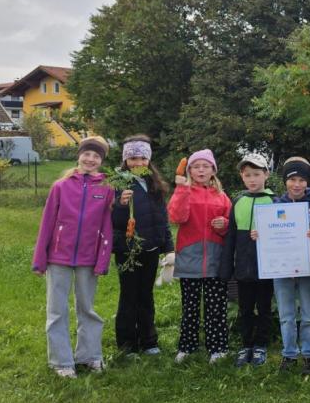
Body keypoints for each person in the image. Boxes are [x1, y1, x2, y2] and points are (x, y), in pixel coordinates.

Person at [32, 136, 115, 378]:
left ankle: (90, 356)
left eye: (96, 156)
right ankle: (61, 361)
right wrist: (39, 259)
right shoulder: (61, 186)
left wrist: (102, 260)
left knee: (87, 308)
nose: (90, 159)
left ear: (101, 161)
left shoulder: (106, 189)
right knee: (56, 310)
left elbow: (107, 228)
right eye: (87, 154)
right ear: (79, 155)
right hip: (58, 257)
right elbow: (47, 223)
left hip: (89, 260)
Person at [167, 149, 232, 364]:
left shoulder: (222, 197)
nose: (201, 169)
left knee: (216, 307)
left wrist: (224, 225)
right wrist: (181, 189)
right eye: (196, 166)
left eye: (205, 166)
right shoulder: (184, 191)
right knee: (190, 307)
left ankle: (218, 347)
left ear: (213, 170)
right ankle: (187, 346)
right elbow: (176, 216)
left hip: (215, 258)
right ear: (189, 171)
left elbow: (230, 225)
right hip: (189, 257)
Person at [111, 135, 174, 355]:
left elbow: (161, 219)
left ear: (149, 159)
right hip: (127, 249)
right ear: (125, 160)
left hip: (151, 249)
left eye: (143, 158)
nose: (138, 163)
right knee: (129, 295)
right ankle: (127, 343)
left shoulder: (154, 184)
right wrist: (120, 205)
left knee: (146, 295)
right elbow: (113, 222)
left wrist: (168, 247)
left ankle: (149, 340)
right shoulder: (118, 183)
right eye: (133, 158)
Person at [220, 152, 275, 367]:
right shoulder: (239, 202)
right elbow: (230, 237)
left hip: (266, 268)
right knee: (245, 308)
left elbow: (282, 235)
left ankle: (261, 345)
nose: (252, 179)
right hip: (242, 268)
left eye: (256, 174)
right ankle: (246, 345)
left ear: (266, 175)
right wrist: (227, 269)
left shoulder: (274, 200)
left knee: (264, 308)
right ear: (242, 177)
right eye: (247, 175)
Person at [272, 157, 310, 375]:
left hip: (308, 267)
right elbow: (271, 237)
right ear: (285, 181)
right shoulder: (276, 205)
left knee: (309, 313)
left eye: (302, 180)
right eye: (292, 179)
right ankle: (289, 354)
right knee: (286, 314)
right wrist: (260, 234)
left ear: (307, 182)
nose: (297, 184)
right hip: (282, 268)